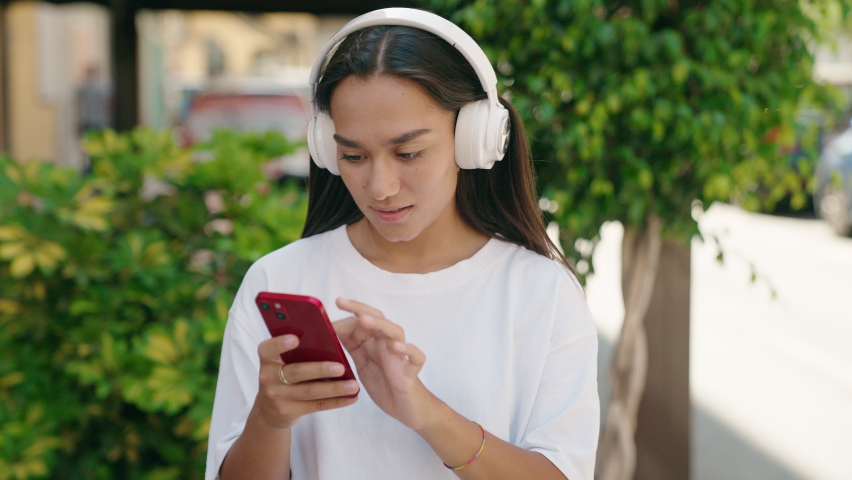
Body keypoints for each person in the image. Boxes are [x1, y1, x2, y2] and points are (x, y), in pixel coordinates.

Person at [205, 8, 599, 480]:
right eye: (353, 155)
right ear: (327, 151)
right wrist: (270, 419)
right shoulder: (278, 280)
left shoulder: (540, 291)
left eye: (408, 153)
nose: (380, 186)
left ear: (474, 138)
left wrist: (428, 414)